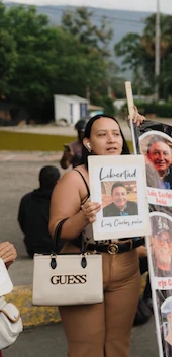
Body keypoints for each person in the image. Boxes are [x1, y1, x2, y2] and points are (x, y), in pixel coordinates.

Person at [48, 112, 146, 357]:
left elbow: (167, 165)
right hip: (83, 266)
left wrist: (142, 130)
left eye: (116, 134)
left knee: (118, 346)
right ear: (88, 143)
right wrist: (83, 216)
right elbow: (56, 229)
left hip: (126, 269)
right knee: (86, 349)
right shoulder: (75, 178)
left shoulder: (134, 173)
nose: (111, 139)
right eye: (102, 135)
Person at [18, 165, 64, 257]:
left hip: (34, 248)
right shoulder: (63, 200)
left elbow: (22, 221)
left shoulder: (27, 199)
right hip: (59, 248)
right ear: (58, 182)